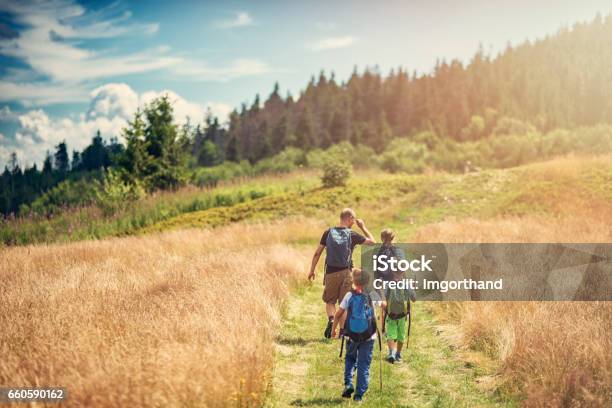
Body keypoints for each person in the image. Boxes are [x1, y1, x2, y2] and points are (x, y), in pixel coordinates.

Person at [308, 208, 375, 339]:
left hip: (331, 273)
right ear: (349, 218)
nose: (354, 223)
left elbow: (317, 253)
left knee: (330, 301)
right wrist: (363, 227)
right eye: (354, 220)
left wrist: (312, 270)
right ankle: (343, 333)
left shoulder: (328, 232)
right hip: (347, 272)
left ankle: (332, 320)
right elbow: (372, 242)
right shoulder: (351, 234)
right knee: (344, 303)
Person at [331, 269, 377, 402]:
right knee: (364, 364)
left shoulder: (349, 295)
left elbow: (339, 313)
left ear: (354, 281)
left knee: (350, 359)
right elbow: (384, 305)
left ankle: (348, 383)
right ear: (368, 281)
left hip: (352, 335)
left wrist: (334, 329)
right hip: (369, 336)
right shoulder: (372, 294)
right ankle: (359, 395)